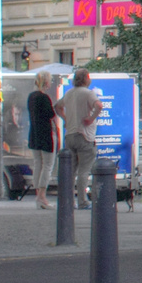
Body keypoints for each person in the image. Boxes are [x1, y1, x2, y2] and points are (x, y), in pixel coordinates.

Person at [53, 69, 101, 209]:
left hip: (70, 135)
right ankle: (83, 201)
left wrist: (66, 119)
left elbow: (57, 107)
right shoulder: (88, 93)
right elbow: (98, 105)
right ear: (86, 79)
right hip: (85, 135)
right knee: (84, 171)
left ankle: (68, 201)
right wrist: (91, 119)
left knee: (70, 171)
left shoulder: (69, 93)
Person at [28, 71, 58, 209]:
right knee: (47, 166)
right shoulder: (44, 97)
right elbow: (51, 115)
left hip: (34, 134)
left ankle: (38, 195)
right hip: (46, 134)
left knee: (38, 164)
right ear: (46, 83)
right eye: (50, 81)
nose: (51, 83)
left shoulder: (31, 96)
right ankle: (42, 196)